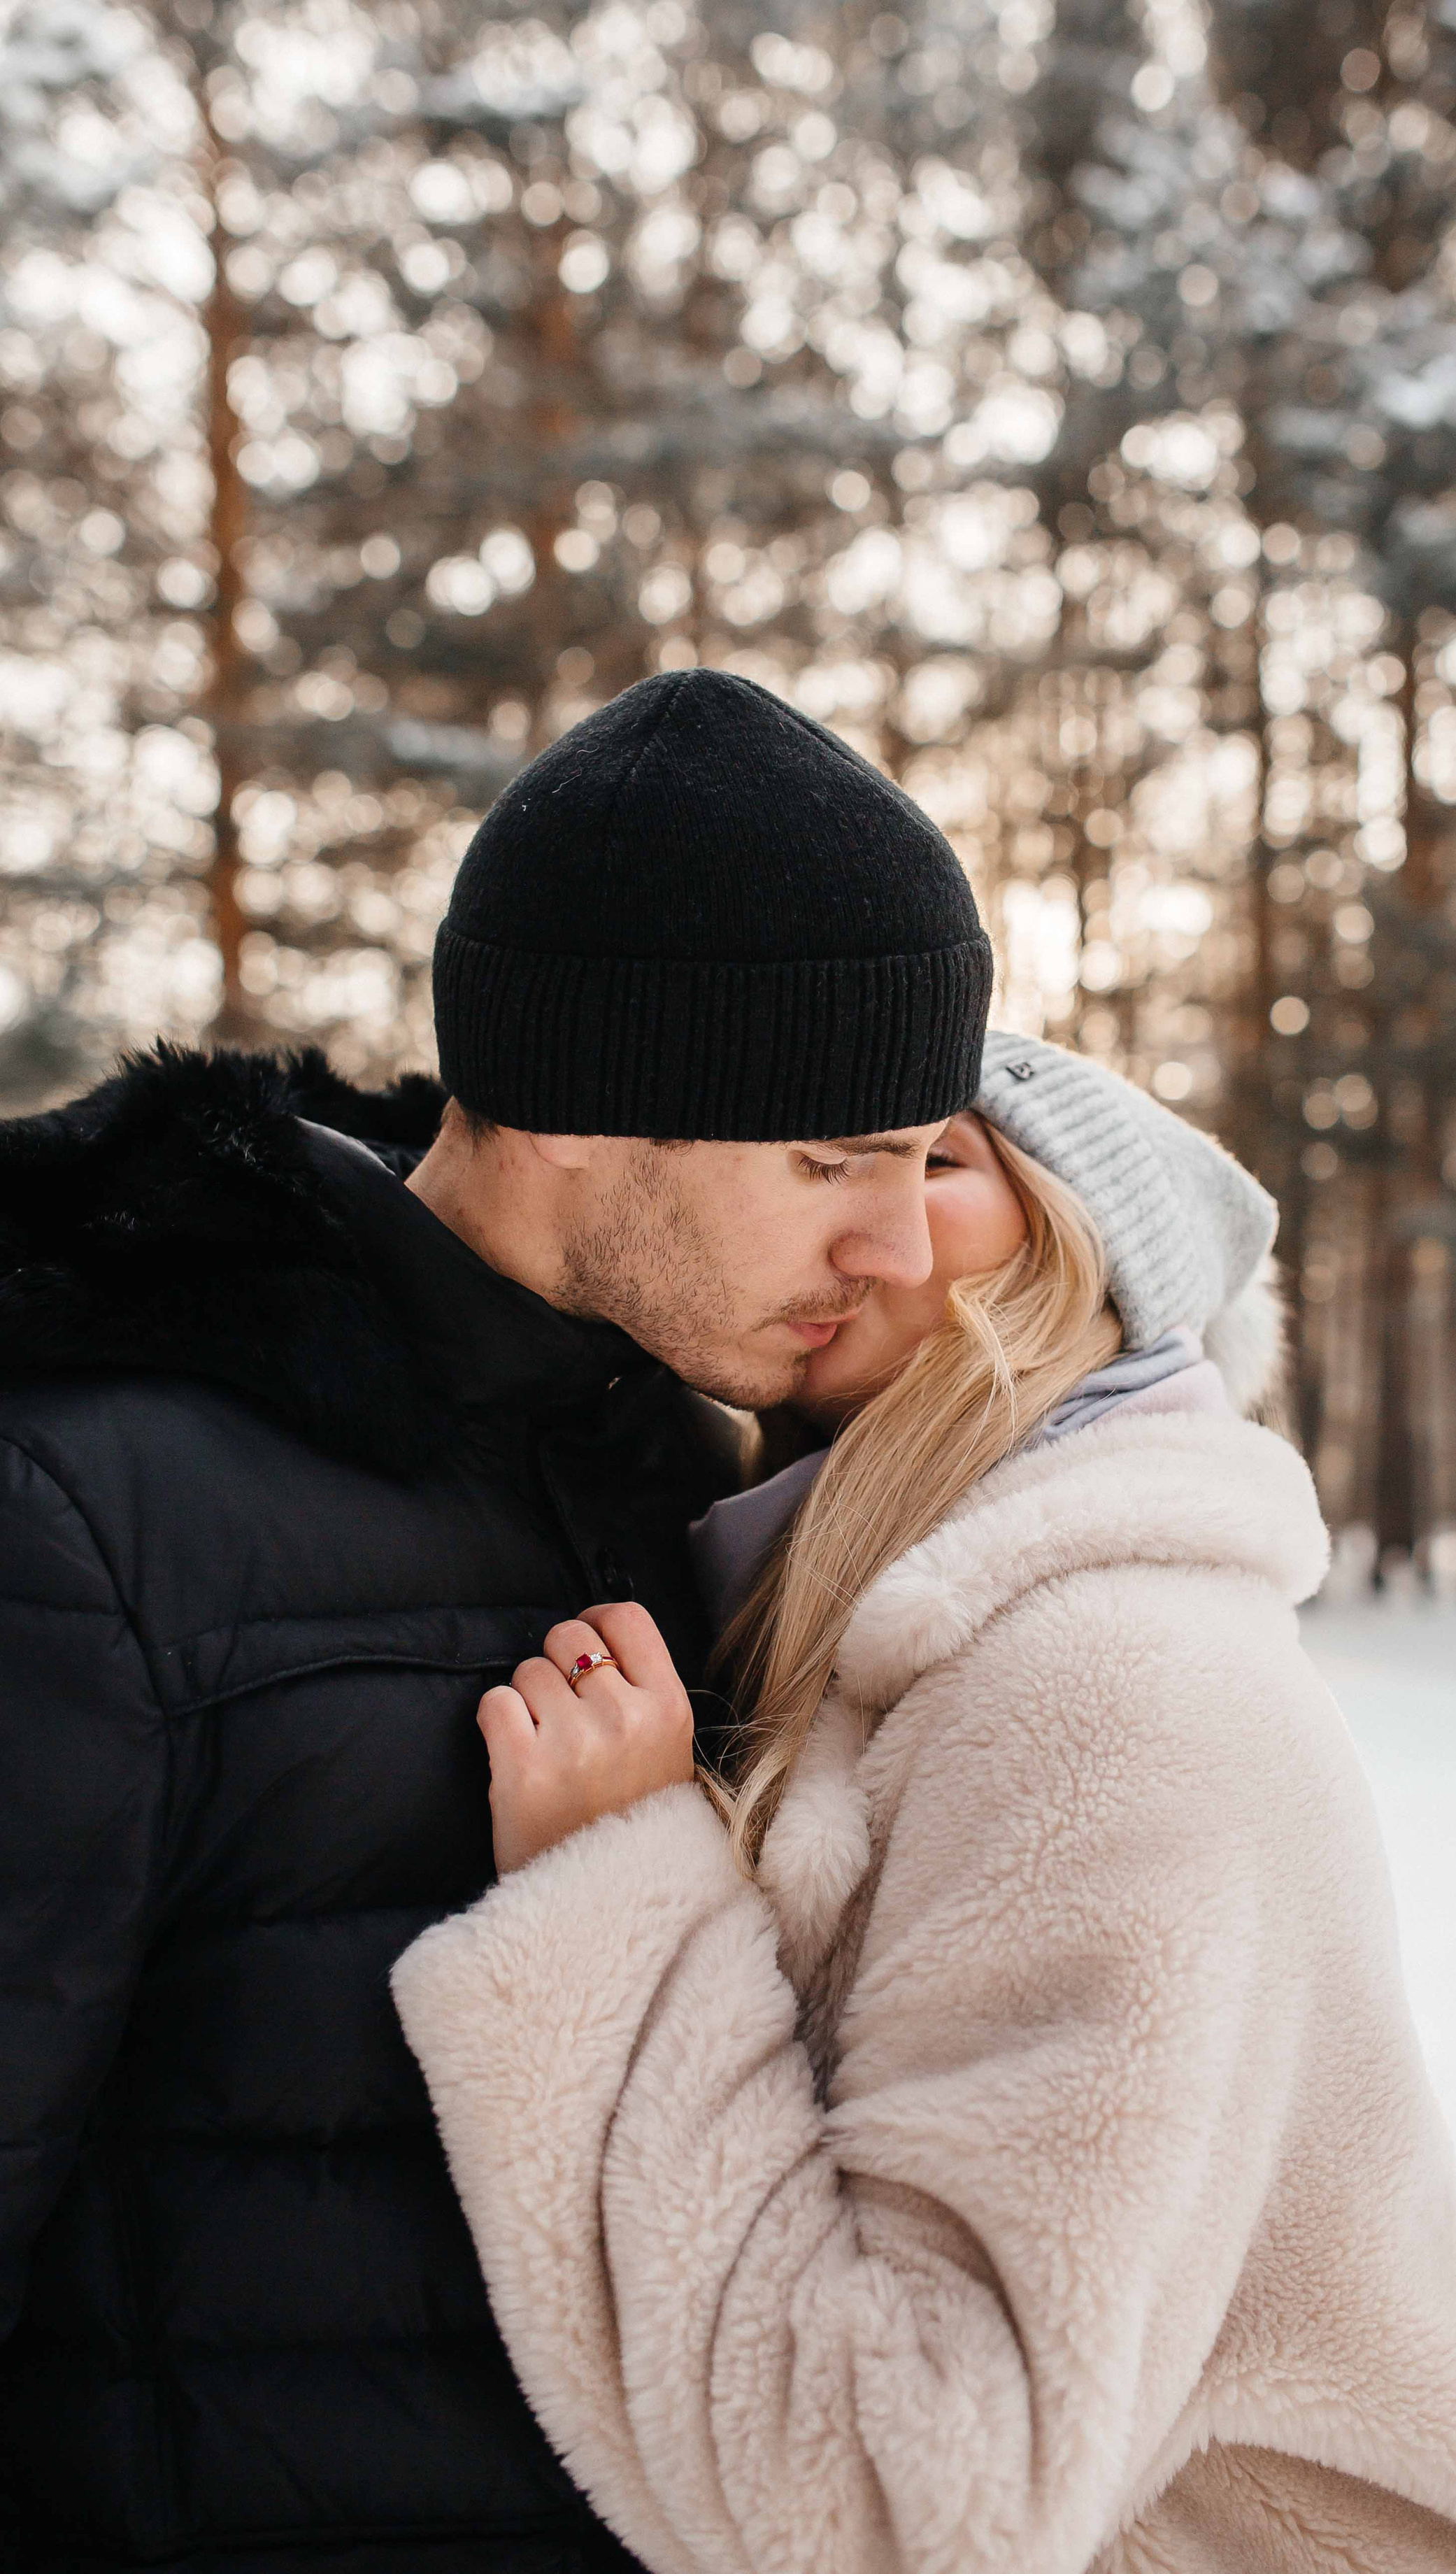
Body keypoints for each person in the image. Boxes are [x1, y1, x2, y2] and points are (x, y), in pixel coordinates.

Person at [393, 1033, 1456, 2574]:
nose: (861, 1221)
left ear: (1087, 1259)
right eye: (814, 1166)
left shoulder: (1110, 1686)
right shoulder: (893, 1635)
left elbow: (906, 2509)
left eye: (931, 1158)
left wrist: (613, 1903)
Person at [0, 668, 992, 2574]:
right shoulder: (89, 1519)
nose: (896, 1245)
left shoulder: (681, 1496)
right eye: (832, 1161)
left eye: (918, 1156)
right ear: (589, 1109)